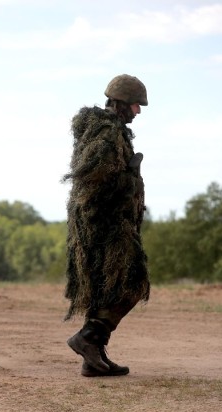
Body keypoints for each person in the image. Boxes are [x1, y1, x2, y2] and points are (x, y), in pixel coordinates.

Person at [63, 74, 151, 377]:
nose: (137, 111)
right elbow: (95, 178)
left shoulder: (108, 130)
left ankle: (94, 358)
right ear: (118, 102)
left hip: (100, 223)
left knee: (104, 287)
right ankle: (88, 338)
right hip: (106, 225)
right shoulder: (107, 132)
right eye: (135, 105)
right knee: (132, 283)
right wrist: (128, 178)